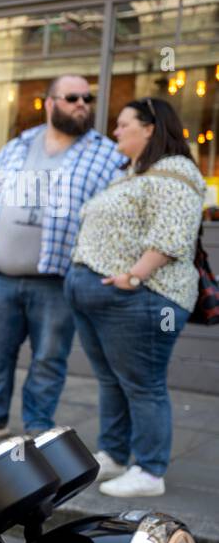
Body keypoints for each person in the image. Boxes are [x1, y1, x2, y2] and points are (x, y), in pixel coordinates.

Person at [65, 97, 205, 498]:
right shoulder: (132, 173)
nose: (115, 131)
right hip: (101, 298)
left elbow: (173, 232)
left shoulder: (175, 172)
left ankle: (149, 469)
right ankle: (115, 452)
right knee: (112, 381)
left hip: (144, 297)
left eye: (123, 124)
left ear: (149, 127)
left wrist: (133, 276)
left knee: (144, 385)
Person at [0, 74, 124, 438]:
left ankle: (37, 423)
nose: (82, 105)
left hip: (59, 280)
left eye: (87, 98)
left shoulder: (106, 153)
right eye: (72, 97)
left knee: (49, 357)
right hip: (1, 274)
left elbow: (119, 212)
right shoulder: (19, 145)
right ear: (50, 103)